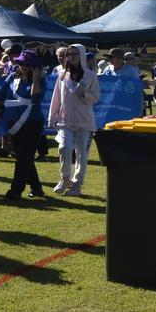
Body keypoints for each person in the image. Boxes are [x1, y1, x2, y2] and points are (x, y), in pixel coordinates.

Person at [47, 43, 99, 197]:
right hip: (65, 119)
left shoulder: (90, 75)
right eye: (69, 54)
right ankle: (64, 179)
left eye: (75, 54)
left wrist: (85, 94)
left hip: (84, 120)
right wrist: (52, 117)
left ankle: (77, 184)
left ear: (81, 55)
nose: (71, 57)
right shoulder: (63, 74)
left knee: (81, 153)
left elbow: (95, 97)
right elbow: (56, 97)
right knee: (64, 148)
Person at [0, 51, 46, 200]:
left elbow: (36, 99)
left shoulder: (40, 80)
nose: (23, 66)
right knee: (24, 157)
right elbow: (0, 95)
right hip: (14, 123)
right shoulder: (13, 77)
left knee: (23, 158)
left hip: (32, 123)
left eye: (26, 64)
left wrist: (35, 79)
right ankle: (37, 188)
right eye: (20, 63)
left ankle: (16, 190)